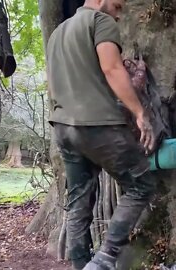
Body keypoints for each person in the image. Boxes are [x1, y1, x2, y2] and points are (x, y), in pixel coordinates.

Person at [46, 0, 157, 269]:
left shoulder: (57, 33)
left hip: (63, 127)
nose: (119, 15)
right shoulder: (100, 21)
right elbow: (112, 68)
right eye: (118, 6)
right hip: (98, 125)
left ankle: (82, 265)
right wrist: (140, 113)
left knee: (79, 199)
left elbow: (56, 82)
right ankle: (105, 259)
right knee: (142, 185)